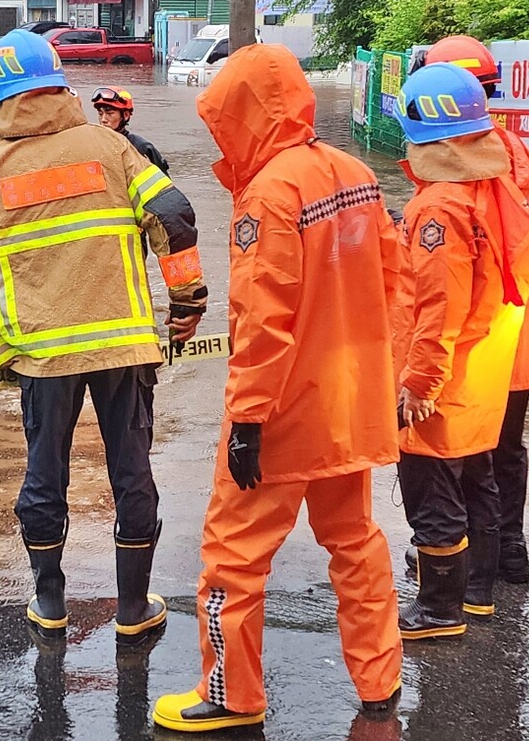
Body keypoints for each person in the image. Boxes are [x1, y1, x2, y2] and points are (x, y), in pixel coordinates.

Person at [152, 44, 404, 733]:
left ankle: (232, 695)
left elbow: (263, 319)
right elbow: (393, 283)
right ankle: (380, 682)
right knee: (355, 542)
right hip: (349, 403)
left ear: (242, 114)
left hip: (284, 409)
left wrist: (248, 419)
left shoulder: (268, 193)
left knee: (232, 555)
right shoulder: (355, 174)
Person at [0, 29, 207, 647]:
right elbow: (174, 217)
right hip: (123, 345)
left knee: (44, 476)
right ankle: (133, 608)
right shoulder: (111, 148)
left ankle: (51, 602)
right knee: (132, 474)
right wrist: (187, 304)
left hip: (40, 355)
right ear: (60, 84)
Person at [391, 63, 529, 641]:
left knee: (431, 491)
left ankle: (438, 609)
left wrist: (418, 383)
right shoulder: (497, 187)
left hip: (443, 375)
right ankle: (476, 595)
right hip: (482, 366)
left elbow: (438, 304)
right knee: (479, 478)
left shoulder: (439, 207)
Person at [419, 35, 529, 595]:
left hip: (476, 336)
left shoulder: (463, 166)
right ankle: (508, 554)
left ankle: (467, 573)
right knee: (506, 448)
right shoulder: (515, 151)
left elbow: (453, 268)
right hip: (518, 330)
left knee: (467, 457)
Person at [90, 87, 170, 173]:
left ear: (126, 115)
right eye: (100, 114)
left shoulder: (142, 148)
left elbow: (163, 180)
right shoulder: (92, 145)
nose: (103, 119)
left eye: (110, 113)